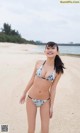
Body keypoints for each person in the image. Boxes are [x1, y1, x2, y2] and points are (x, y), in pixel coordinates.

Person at [19, 42, 65, 133]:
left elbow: (53, 88)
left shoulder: (58, 71)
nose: (50, 50)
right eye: (48, 48)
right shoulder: (38, 63)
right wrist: (24, 93)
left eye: (52, 48)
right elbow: (32, 78)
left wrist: (51, 106)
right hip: (31, 99)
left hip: (45, 101)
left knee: (45, 130)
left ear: (57, 52)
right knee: (31, 129)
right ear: (44, 51)